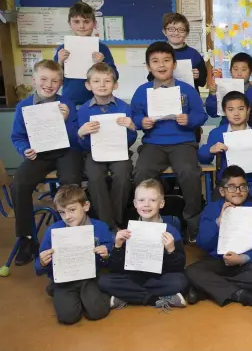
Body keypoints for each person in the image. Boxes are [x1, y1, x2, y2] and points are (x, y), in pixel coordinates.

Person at [131, 41, 208, 241]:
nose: (161, 65)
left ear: (174, 64)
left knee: (189, 171)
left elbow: (201, 115)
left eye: (166, 60)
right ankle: (147, 220)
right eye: (155, 61)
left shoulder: (186, 89)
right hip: (154, 144)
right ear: (148, 66)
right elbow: (135, 117)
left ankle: (192, 222)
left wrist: (189, 120)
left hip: (183, 142)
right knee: (142, 171)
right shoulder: (142, 91)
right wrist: (142, 122)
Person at [11, 59, 83, 266]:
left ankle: (70, 232)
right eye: (44, 79)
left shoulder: (66, 104)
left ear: (60, 84)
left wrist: (67, 120)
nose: (49, 84)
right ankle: (26, 239)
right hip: (39, 154)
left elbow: (77, 138)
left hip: (66, 152)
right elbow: (17, 136)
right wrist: (24, 150)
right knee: (20, 184)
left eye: (55, 81)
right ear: (34, 80)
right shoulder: (23, 106)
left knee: (70, 182)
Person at [186, 165, 252, 309]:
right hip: (218, 261)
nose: (238, 191)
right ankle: (241, 295)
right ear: (222, 191)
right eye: (231, 187)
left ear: (247, 189)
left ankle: (205, 289)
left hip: (245, 263)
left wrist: (243, 258)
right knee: (191, 271)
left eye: (242, 187)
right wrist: (218, 222)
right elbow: (203, 244)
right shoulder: (212, 209)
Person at [98, 179, 188, 311]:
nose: (146, 204)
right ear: (135, 203)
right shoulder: (128, 230)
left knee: (181, 281)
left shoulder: (170, 230)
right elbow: (115, 268)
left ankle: (127, 296)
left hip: (159, 277)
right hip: (133, 277)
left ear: (161, 203)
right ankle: (157, 299)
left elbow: (179, 266)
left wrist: (171, 250)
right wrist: (117, 246)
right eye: (141, 200)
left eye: (152, 200)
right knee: (103, 281)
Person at [35, 185, 113, 325]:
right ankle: (56, 290)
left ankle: (91, 297)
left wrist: (106, 255)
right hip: (64, 281)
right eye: (62, 212)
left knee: (97, 312)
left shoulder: (100, 228)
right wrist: (42, 262)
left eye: (72, 210)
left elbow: (112, 260)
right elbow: (38, 268)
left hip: (90, 278)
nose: (67, 217)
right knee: (68, 317)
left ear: (86, 206)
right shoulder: (53, 231)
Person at [77, 62, 136, 230]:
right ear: (88, 85)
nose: (102, 85)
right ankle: (107, 223)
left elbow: (129, 140)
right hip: (93, 153)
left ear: (115, 85)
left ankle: (116, 219)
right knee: (95, 177)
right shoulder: (83, 110)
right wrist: (81, 133)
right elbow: (81, 145)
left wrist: (132, 128)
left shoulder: (124, 107)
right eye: (96, 81)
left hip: (119, 151)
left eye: (107, 81)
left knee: (123, 174)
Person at [54, 1, 119, 106]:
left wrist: (103, 63)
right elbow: (55, 78)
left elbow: (115, 75)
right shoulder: (62, 49)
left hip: (98, 101)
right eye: (76, 21)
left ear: (94, 24)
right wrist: (60, 62)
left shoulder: (102, 48)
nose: (82, 26)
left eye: (86, 21)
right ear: (69, 23)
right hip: (70, 101)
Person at [198, 91, 252, 192]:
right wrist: (210, 150)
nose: (236, 114)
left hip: (251, 184)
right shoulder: (217, 133)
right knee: (215, 206)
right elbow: (202, 158)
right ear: (224, 111)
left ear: (248, 110)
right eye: (230, 110)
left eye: (241, 109)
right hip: (226, 185)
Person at [155, 12, 207, 93]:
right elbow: (151, 78)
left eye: (181, 30)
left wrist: (198, 76)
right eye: (171, 29)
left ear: (187, 33)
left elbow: (202, 82)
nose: (176, 33)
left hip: (189, 98)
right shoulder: (157, 53)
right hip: (164, 98)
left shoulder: (194, 54)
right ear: (164, 32)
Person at [206, 52, 252, 126]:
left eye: (244, 69)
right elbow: (213, 113)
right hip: (226, 129)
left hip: (248, 131)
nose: (239, 73)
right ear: (230, 71)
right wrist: (213, 94)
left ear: (251, 72)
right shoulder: (223, 89)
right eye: (235, 69)